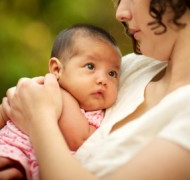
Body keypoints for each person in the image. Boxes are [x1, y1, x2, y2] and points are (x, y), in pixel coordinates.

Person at [1, 0, 190, 180]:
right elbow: (24, 101)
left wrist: (39, 120)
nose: (120, 12)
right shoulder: (127, 69)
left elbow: (38, 110)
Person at [0, 23, 121, 180]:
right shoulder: (58, 94)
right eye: (90, 66)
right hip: (13, 153)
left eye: (112, 73)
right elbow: (78, 139)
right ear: (57, 69)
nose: (103, 79)